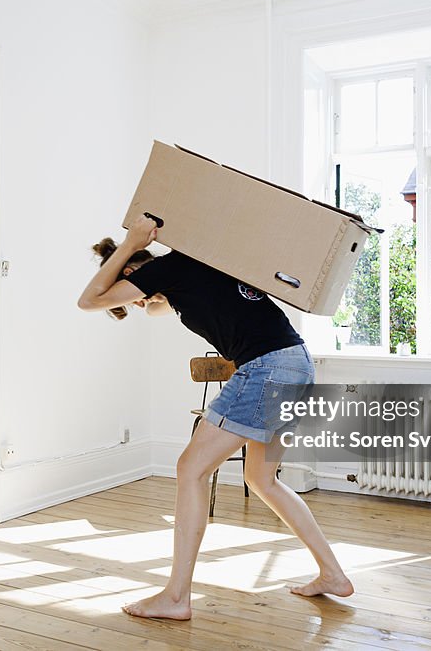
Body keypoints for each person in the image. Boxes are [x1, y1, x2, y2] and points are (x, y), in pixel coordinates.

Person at [77, 216, 354, 620]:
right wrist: (147, 292)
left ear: (134, 270)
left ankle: (175, 597)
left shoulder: (164, 269)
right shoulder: (193, 267)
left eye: (132, 291)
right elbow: (156, 307)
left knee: (190, 470)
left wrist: (129, 243)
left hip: (265, 368)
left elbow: (89, 300)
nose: (136, 303)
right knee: (261, 479)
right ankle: (332, 574)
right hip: (296, 362)